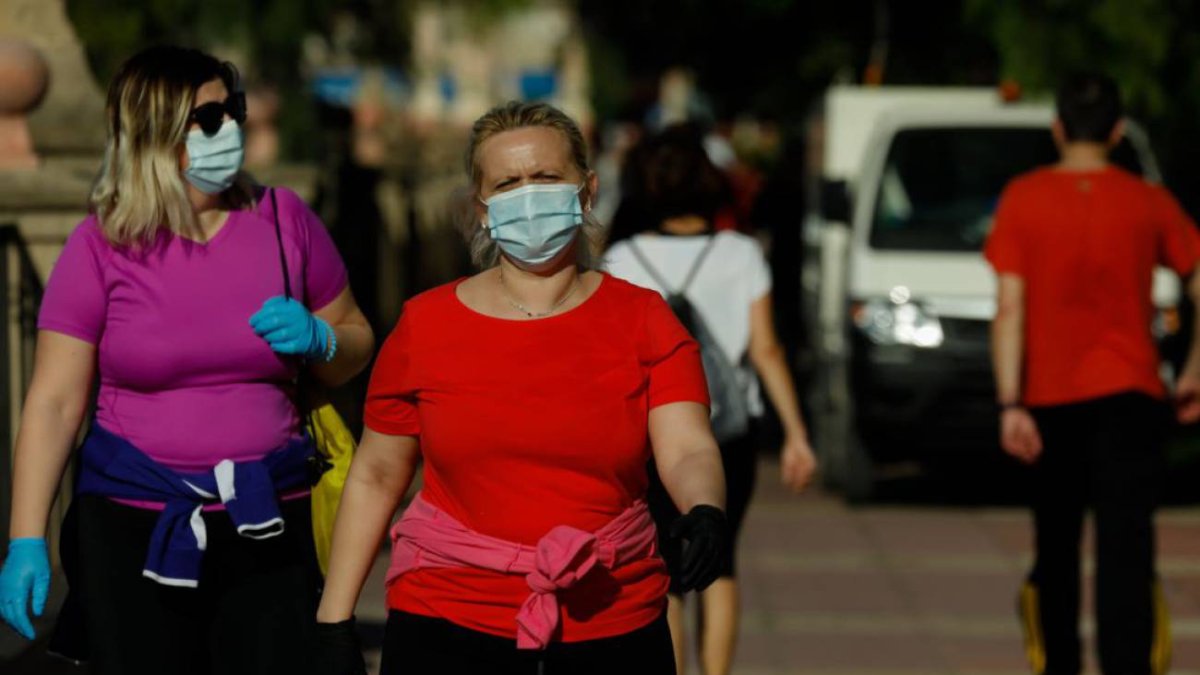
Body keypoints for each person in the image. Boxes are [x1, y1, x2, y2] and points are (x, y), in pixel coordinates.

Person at [314, 101, 729, 675]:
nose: (528, 195)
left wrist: (704, 508)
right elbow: (378, 475)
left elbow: (686, 447)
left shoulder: (645, 319)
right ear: (481, 209)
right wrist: (334, 622)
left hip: (612, 619)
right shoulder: (425, 326)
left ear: (586, 192)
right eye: (508, 183)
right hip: (445, 620)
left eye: (546, 177)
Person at [0, 46, 374, 674]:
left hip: (270, 522)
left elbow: (356, 338)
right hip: (132, 528)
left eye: (232, 110)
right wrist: (25, 538)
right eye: (205, 118)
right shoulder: (103, 242)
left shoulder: (284, 220)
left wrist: (321, 339)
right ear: (154, 132)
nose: (228, 129)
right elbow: (55, 402)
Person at [986, 72, 1200, 675]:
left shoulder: (1023, 199)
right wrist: (1193, 369)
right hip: (1132, 396)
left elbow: (1010, 307)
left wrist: (1009, 404)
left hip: (1050, 399)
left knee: (1054, 552)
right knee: (1127, 554)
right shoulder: (1149, 201)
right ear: (1118, 130)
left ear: (1056, 128)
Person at [604, 124, 818, 675]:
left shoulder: (623, 259)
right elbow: (766, 350)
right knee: (720, 562)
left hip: (654, 434)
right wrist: (795, 433)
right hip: (730, 431)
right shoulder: (741, 253)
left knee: (666, 568)